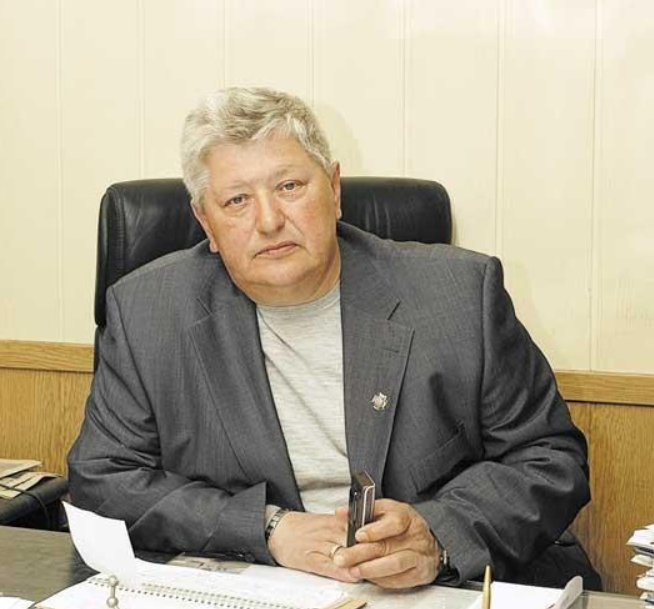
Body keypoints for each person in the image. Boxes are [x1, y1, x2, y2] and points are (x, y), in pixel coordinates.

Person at [68, 87, 599, 590]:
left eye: (289, 187)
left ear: (335, 189)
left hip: (437, 590)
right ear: (205, 221)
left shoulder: (460, 294)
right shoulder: (148, 311)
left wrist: (437, 535)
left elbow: (549, 458)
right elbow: (103, 479)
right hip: (261, 587)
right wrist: (266, 527)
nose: (269, 221)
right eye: (236, 201)